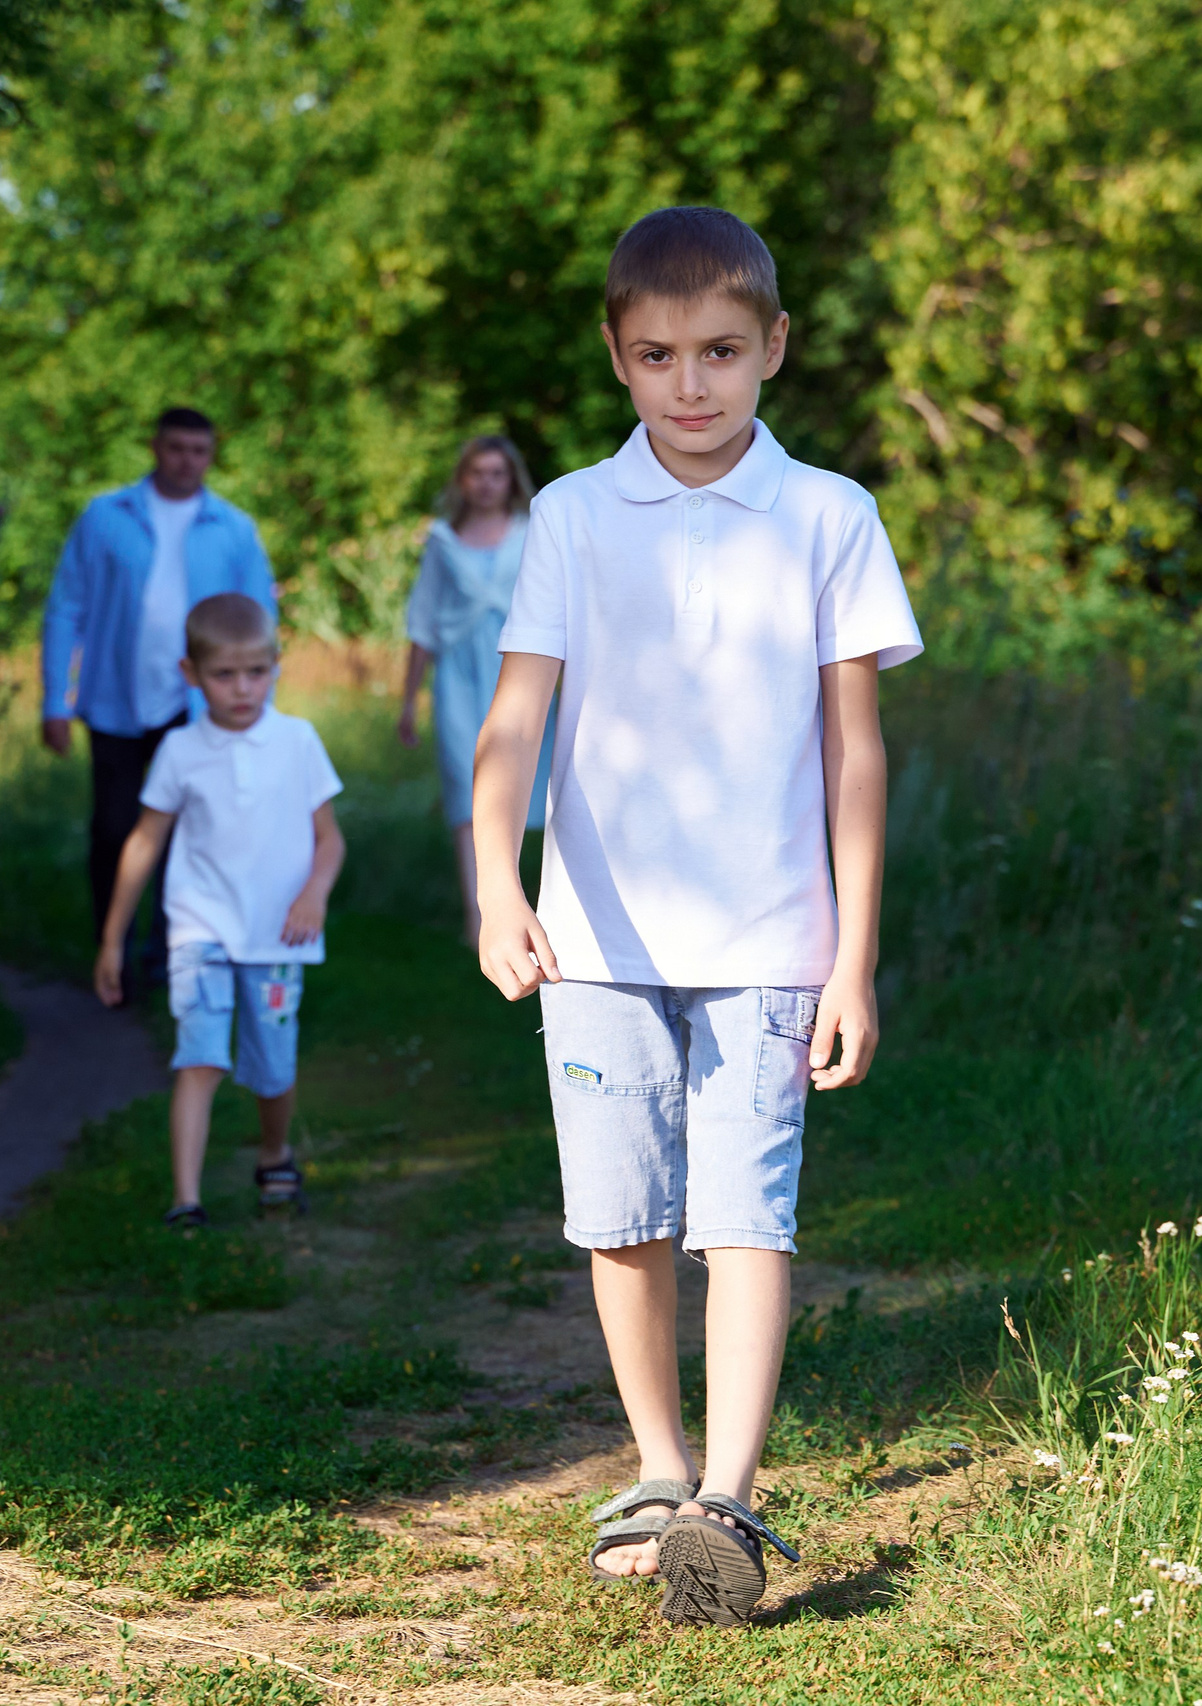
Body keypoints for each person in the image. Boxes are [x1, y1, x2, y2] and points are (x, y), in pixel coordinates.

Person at [468, 207, 921, 1624]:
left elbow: (856, 752)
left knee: (748, 1221)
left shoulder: (829, 515)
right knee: (621, 1219)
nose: (693, 384)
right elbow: (514, 726)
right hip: (598, 941)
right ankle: (658, 1467)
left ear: (774, 346)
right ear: (617, 356)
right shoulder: (572, 518)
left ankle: (728, 1494)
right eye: (659, 354)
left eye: (722, 350)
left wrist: (853, 951)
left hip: (772, 942)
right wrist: (496, 874)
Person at [94, 593, 346, 1229]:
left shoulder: (298, 741)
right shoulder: (180, 750)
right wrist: (112, 939)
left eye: (256, 672)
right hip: (200, 930)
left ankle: (274, 1153)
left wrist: (314, 892)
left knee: (272, 1068)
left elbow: (330, 837)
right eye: (223, 675)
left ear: (276, 667)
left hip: (276, 939)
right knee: (200, 1056)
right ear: (190, 674)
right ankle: (186, 1200)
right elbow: (145, 840)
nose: (242, 689)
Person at [44, 407, 277, 991]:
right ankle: (111, 949)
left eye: (199, 450)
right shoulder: (106, 516)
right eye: (176, 448)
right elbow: (66, 606)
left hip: (200, 706)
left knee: (190, 832)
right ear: (154, 447)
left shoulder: (232, 528)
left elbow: (260, 620)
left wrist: (258, 705)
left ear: (211, 454)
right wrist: (55, 698)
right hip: (114, 700)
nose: (187, 460)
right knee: (115, 830)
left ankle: (167, 957)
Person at [396, 436, 551, 944]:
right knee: (468, 788)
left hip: (522, 674)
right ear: (462, 479)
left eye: (496, 473)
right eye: (476, 473)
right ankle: (477, 915)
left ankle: (540, 905)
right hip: (459, 679)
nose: (486, 483)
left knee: (536, 788)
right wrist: (407, 701)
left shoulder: (532, 532)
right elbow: (422, 621)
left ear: (511, 480)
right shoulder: (442, 540)